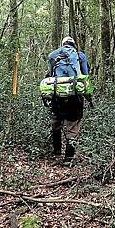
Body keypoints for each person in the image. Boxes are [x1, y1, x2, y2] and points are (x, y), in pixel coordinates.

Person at [46, 36, 89, 166]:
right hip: (74, 97)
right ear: (74, 45)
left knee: (56, 123)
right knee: (73, 127)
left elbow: (50, 74)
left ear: (63, 44)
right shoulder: (80, 56)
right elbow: (85, 75)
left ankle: (57, 152)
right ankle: (68, 160)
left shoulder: (53, 55)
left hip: (57, 96)